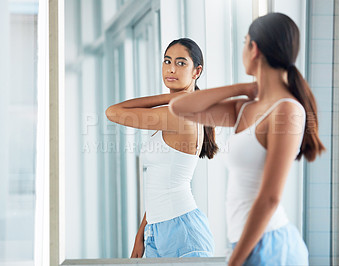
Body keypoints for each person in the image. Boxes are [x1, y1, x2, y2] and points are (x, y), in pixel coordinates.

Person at [170, 13, 325, 265]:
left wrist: (234, 262)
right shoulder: (244, 108)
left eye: (245, 42)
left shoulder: (287, 110)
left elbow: (270, 197)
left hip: (270, 246)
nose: (243, 49)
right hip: (247, 244)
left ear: (254, 48)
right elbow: (179, 107)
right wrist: (240, 88)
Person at [106, 38, 217, 258]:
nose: (171, 68)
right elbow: (161, 184)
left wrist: (172, 97)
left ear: (197, 71)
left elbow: (113, 112)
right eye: (167, 61)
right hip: (156, 229)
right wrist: (141, 235)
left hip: (183, 232)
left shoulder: (179, 114)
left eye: (181, 63)